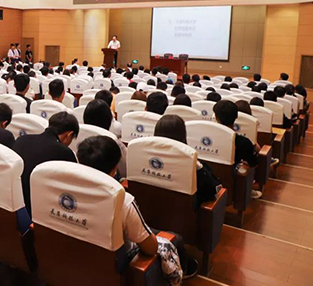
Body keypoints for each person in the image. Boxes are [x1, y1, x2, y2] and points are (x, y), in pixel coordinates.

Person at [76, 136, 198, 279]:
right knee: (175, 239)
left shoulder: (62, 188)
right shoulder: (123, 201)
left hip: (76, 260)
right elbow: (151, 248)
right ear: (115, 169)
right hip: (116, 267)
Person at [13, 112, 78, 215]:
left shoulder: (21, 140)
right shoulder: (65, 153)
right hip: (43, 211)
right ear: (69, 134)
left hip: (16, 205)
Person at [154, 115, 222, 206]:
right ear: (183, 135)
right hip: (183, 211)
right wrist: (199, 167)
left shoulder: (146, 156)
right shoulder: (191, 163)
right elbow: (213, 189)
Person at [213, 100, 261, 199]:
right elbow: (254, 163)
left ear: (216, 117)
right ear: (236, 117)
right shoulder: (244, 142)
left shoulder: (209, 137)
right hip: (233, 185)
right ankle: (247, 190)